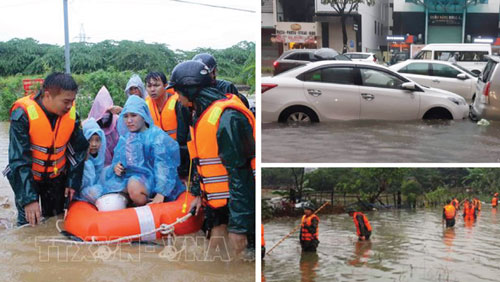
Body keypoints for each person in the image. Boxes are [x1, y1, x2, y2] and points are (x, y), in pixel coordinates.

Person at [168, 60, 255, 257]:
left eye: (177, 92)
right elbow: (201, 161)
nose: (176, 97)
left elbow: (241, 174)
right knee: (215, 250)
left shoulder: (227, 118)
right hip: (218, 202)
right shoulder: (199, 115)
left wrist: (239, 227)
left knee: (237, 256)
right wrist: (198, 193)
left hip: (239, 203)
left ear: (190, 90)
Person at [6, 72, 88, 226]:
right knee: (28, 226)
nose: (70, 106)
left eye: (72, 100)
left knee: (55, 220)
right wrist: (29, 199)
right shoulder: (22, 115)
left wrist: (72, 182)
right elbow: (18, 159)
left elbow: (78, 150)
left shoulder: (71, 115)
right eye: (65, 101)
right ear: (48, 95)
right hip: (28, 177)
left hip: (56, 178)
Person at [102, 95, 185, 206]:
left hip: (152, 180)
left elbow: (163, 165)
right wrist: (116, 167)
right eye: (125, 116)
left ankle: (144, 205)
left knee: (134, 187)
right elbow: (118, 160)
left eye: (134, 115)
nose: (129, 120)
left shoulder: (156, 136)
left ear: (143, 115)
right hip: (131, 177)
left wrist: (161, 192)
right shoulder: (125, 138)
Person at [144, 72, 191, 179]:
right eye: (149, 86)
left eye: (156, 85)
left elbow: (183, 138)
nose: (152, 89)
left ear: (165, 86)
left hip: (178, 152)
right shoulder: (145, 105)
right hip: (156, 154)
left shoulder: (178, 103)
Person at [87, 86, 119, 166]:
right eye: (102, 112)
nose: (105, 115)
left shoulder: (117, 122)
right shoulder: (90, 125)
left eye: (108, 112)